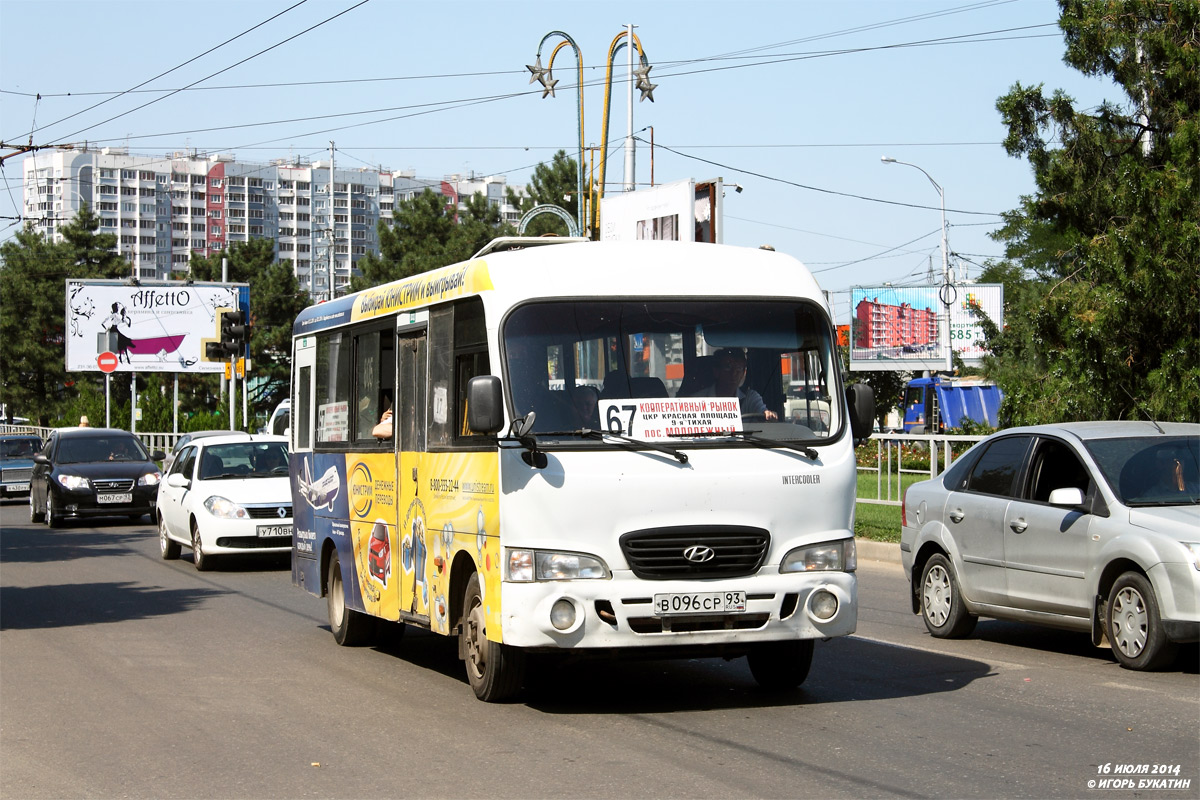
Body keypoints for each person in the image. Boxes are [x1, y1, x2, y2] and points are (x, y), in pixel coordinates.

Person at [685, 347, 778, 420]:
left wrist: (768, 415)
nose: (734, 374)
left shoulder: (750, 398)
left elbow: (762, 412)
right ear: (716, 371)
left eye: (738, 368)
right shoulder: (696, 401)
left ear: (743, 373)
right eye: (728, 367)